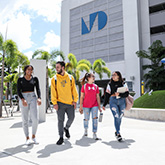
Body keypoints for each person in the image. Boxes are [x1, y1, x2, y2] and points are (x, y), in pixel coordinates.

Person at [51, 61, 78, 145]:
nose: (56, 69)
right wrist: (54, 103)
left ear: (63, 67)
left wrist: (75, 100)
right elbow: (53, 92)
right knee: (60, 120)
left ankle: (66, 128)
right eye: (56, 67)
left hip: (70, 103)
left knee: (72, 118)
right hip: (60, 103)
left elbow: (74, 90)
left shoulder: (70, 78)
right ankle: (61, 137)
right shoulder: (54, 79)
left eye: (58, 67)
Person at [17, 65, 41, 145]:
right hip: (23, 98)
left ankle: (33, 136)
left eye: (31, 69)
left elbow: (38, 89)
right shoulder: (20, 79)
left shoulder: (35, 79)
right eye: (28, 69)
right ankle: (27, 138)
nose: (30, 71)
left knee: (35, 119)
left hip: (33, 97)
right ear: (25, 70)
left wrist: (39, 98)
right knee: (25, 119)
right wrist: (23, 100)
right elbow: (18, 91)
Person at [102, 71, 129, 142]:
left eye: (114, 75)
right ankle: (118, 133)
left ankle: (117, 131)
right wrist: (104, 105)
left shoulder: (123, 83)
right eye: (112, 75)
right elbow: (107, 95)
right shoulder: (110, 84)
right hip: (113, 101)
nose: (113, 76)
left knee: (120, 117)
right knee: (116, 116)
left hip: (122, 101)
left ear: (118, 76)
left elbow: (127, 94)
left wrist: (119, 94)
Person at [79, 73, 102, 140]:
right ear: (88, 78)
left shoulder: (96, 86)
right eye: (93, 76)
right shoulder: (84, 86)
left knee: (95, 119)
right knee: (86, 119)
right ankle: (85, 130)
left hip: (94, 105)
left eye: (94, 76)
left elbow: (98, 97)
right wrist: (80, 107)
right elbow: (82, 97)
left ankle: (94, 133)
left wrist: (99, 107)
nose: (94, 77)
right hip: (86, 106)